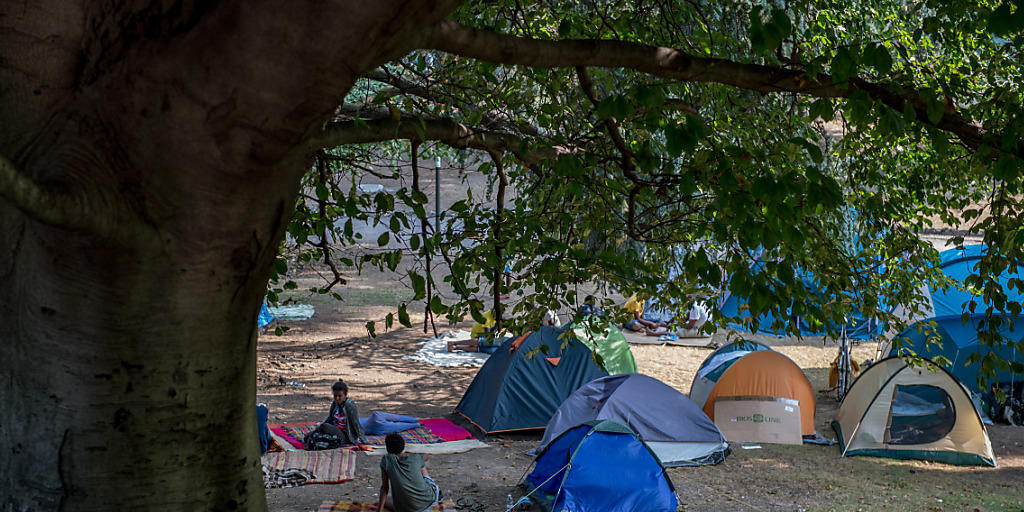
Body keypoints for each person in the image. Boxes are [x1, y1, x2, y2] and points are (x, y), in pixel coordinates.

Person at [377, 433, 441, 512]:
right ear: (403, 445)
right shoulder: (416, 457)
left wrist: (379, 510)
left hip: (406, 509)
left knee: (388, 501)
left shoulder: (386, 460)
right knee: (421, 466)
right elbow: (426, 456)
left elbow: (385, 488)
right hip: (429, 500)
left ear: (388, 449)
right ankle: (433, 493)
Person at [314, 380, 365, 445]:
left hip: (345, 435)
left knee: (324, 427)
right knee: (309, 436)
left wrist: (363, 441)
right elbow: (330, 418)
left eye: (340, 396)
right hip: (335, 430)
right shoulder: (335, 404)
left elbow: (356, 424)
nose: (337, 398)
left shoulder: (349, 405)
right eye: (335, 396)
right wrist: (319, 426)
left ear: (345, 395)